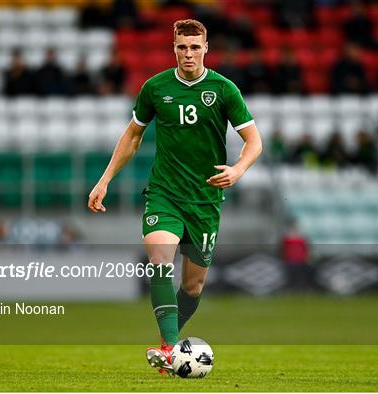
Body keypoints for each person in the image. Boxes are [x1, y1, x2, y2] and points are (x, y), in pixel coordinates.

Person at [87, 19, 262, 375]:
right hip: (164, 193)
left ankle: (169, 345)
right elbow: (132, 136)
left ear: (206, 49)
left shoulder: (224, 90)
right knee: (159, 259)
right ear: (174, 48)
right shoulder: (155, 88)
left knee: (193, 287)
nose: (188, 53)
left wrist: (238, 170)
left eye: (195, 47)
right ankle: (169, 350)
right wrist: (104, 179)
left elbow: (254, 142)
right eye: (182, 47)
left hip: (205, 200)